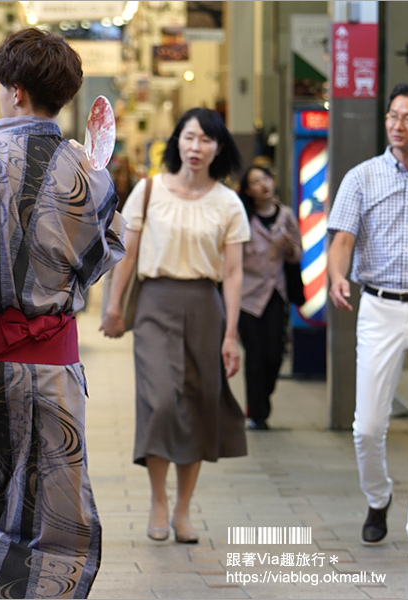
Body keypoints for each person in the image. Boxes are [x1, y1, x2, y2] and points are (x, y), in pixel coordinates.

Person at [0, 28, 125, 599]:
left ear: (14, 90)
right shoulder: (86, 167)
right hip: (57, 368)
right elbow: (106, 249)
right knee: (58, 509)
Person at [100, 107, 249, 545]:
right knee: (162, 400)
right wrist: (112, 307)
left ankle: (183, 508)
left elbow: (235, 273)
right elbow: (125, 253)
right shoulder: (149, 191)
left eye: (206, 139)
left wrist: (231, 335)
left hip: (206, 306)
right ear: (176, 143)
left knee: (200, 404)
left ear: (218, 147)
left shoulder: (228, 202)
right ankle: (158, 500)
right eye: (189, 137)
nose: (196, 147)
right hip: (154, 305)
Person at [327, 81, 408, 563]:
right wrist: (336, 277)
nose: (397, 124)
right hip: (380, 308)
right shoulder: (362, 177)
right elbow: (343, 239)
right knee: (367, 427)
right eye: (392, 115)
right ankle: (378, 497)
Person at [237, 165, 302, 430]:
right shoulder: (242, 217)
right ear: (248, 191)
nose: (263, 184)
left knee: (274, 354)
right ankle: (257, 413)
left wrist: (287, 248)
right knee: (255, 354)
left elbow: (297, 254)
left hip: (276, 293)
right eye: (255, 181)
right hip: (247, 296)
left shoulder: (285, 215)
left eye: (266, 178)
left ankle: (262, 399)